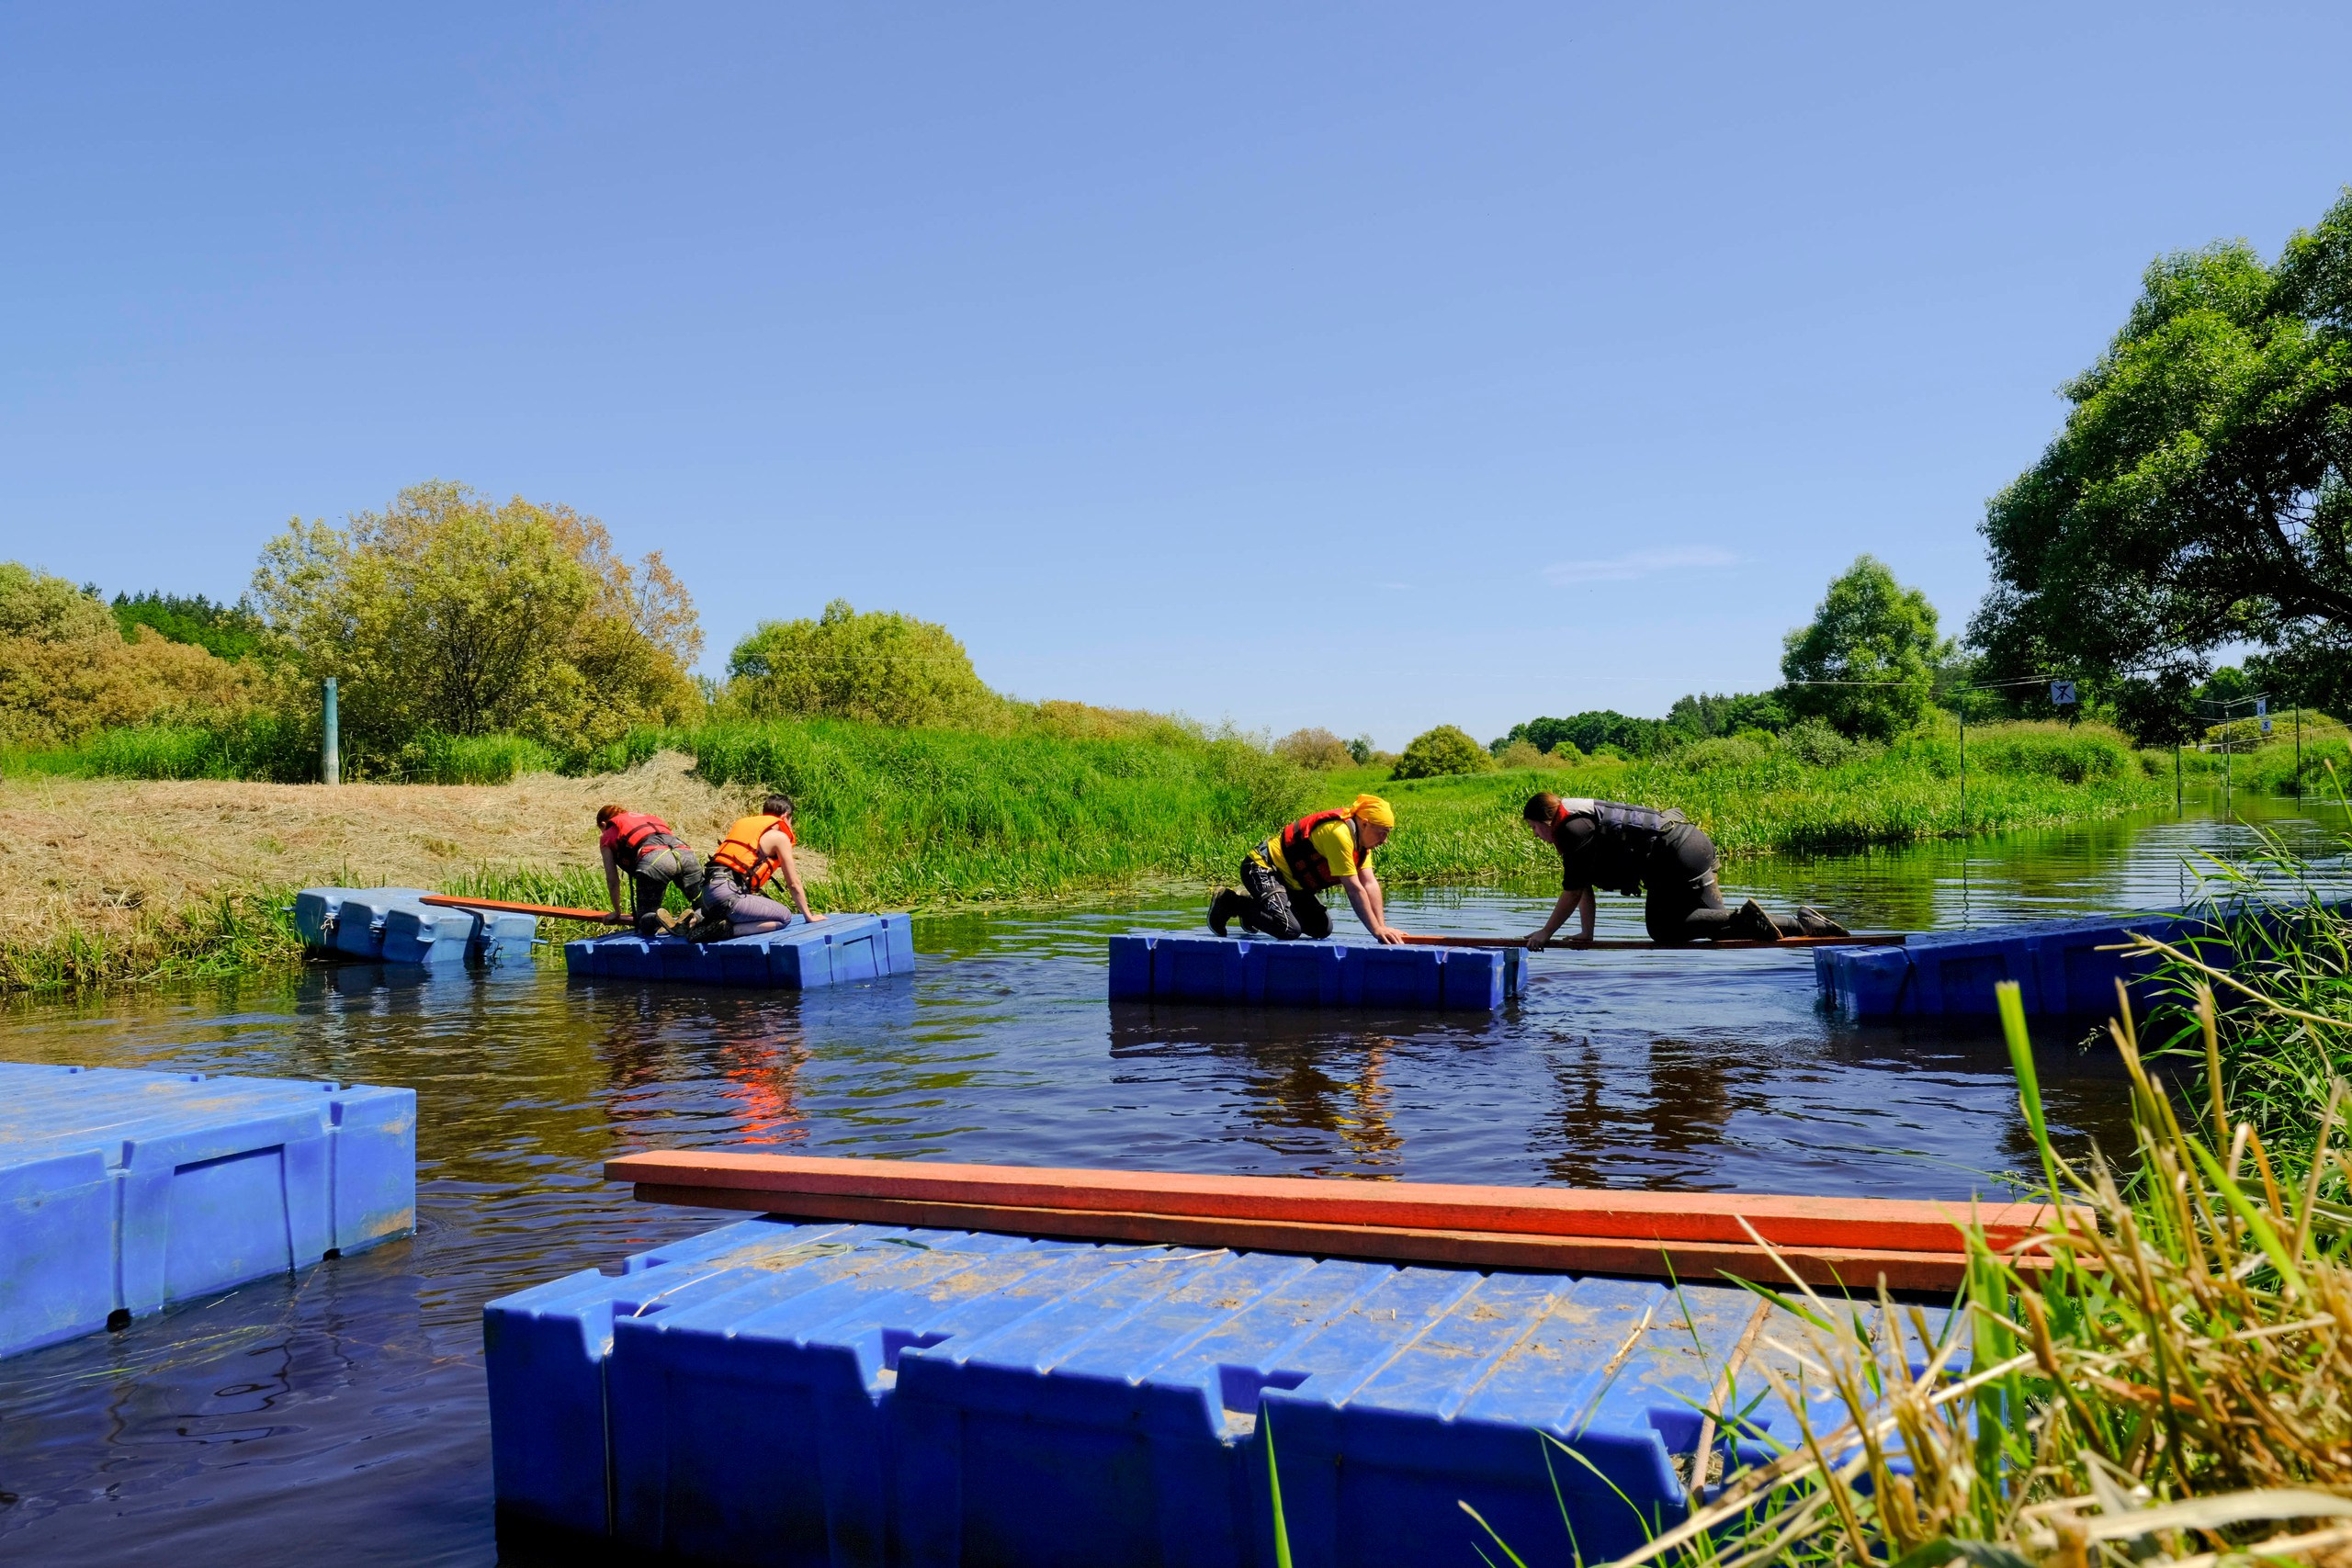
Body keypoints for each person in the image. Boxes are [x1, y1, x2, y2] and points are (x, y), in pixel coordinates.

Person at [1517, 792, 1845, 948]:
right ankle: (1805, 923)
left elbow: (1573, 891)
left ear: (1547, 820)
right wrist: (1587, 933)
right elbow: (1583, 886)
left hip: (1676, 855)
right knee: (1722, 929)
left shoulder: (1573, 830)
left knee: (1663, 929)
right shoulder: (1577, 822)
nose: (1535, 834)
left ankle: (1776, 920)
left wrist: (1546, 933)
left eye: (1533, 827)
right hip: (1694, 845)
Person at [1207, 794, 1408, 943]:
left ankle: (1256, 905)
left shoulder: (1362, 844)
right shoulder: (1338, 834)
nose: (1385, 840)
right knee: (1288, 929)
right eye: (1382, 833)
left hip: (1292, 882)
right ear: (1364, 824)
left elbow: (1369, 884)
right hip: (1263, 868)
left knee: (1321, 928)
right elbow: (1354, 889)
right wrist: (1375, 931)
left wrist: (1382, 927)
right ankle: (1231, 901)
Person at [697, 795, 826, 939]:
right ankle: (726, 930)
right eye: (791, 821)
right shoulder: (779, 837)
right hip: (727, 896)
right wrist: (809, 916)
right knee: (784, 917)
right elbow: (793, 884)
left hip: (707, 895)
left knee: (730, 906)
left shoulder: (745, 825)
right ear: (785, 816)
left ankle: (695, 919)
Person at [596, 805, 705, 937]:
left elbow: (612, 880)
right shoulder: (647, 818)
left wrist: (617, 912)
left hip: (656, 860)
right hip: (685, 854)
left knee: (644, 921)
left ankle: (657, 919)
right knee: (705, 906)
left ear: (603, 824)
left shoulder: (607, 834)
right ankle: (695, 916)